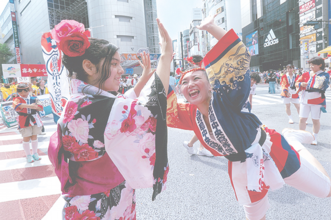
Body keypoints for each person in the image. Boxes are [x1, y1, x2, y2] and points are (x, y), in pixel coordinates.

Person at [166, 15, 331, 220]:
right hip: (240, 166)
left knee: (326, 190)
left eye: (196, 78)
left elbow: (238, 57)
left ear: (210, 85)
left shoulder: (226, 98)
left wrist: (212, 28)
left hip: (270, 149)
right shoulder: (189, 114)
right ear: (181, 90)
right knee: (255, 217)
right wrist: (165, 60)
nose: (189, 83)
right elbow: (161, 104)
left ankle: (295, 143)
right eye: (184, 82)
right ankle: (293, 139)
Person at [48, 19, 172, 219]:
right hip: (100, 204)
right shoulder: (98, 107)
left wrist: (145, 76)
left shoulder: (83, 102)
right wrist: (166, 57)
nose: (121, 70)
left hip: (91, 200)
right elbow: (148, 108)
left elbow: (123, 103)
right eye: (114, 64)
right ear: (89, 67)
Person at [296, 57, 330, 145]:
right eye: (310, 65)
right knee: (302, 119)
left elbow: (321, 85)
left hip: (317, 100)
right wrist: (301, 84)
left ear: (320, 65)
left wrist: (312, 77)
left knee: (315, 120)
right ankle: (301, 136)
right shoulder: (306, 74)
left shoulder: (324, 75)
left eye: (313, 65)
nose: (311, 66)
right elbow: (296, 83)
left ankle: (314, 137)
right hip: (304, 99)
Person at [12, 83, 43, 163]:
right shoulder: (17, 99)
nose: (23, 94)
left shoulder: (34, 98)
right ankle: (28, 155)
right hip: (23, 119)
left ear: (28, 90)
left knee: (34, 136)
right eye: (20, 92)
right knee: (26, 137)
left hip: (34, 119)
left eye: (24, 92)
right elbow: (18, 106)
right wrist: (32, 106)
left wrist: (29, 106)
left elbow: (40, 107)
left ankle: (35, 153)